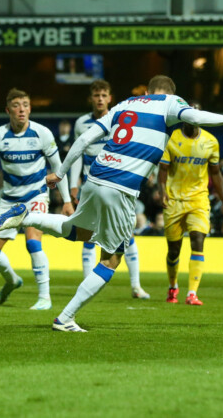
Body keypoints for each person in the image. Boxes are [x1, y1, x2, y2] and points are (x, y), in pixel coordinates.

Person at [0, 75, 223, 332]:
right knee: (111, 259)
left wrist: (60, 173)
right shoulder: (170, 103)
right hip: (121, 187)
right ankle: (65, 318)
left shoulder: (125, 104)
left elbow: (84, 139)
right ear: (170, 94)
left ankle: (25, 217)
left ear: (147, 91)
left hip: (95, 177)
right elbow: (195, 116)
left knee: (78, 230)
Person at [0, 88, 74, 310]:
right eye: (16, 105)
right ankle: (12, 281)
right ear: (7, 110)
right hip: (9, 201)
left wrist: (67, 200)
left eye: (25, 105)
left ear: (30, 109)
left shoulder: (42, 133)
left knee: (33, 241)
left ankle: (44, 298)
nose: (21, 109)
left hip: (36, 196)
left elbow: (58, 167)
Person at [69, 80, 150, 300]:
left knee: (126, 235)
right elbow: (78, 154)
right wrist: (73, 185)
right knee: (88, 235)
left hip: (116, 185)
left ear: (110, 98)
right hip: (91, 187)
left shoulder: (120, 118)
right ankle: (88, 285)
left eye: (104, 95)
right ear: (91, 98)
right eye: (96, 95)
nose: (100, 99)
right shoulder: (81, 123)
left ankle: (136, 286)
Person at [158, 100, 223, 306]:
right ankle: (173, 286)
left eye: (198, 111)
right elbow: (162, 170)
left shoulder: (211, 141)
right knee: (174, 250)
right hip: (174, 200)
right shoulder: (171, 139)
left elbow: (215, 173)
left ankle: (192, 293)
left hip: (199, 200)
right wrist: (162, 191)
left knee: (198, 240)